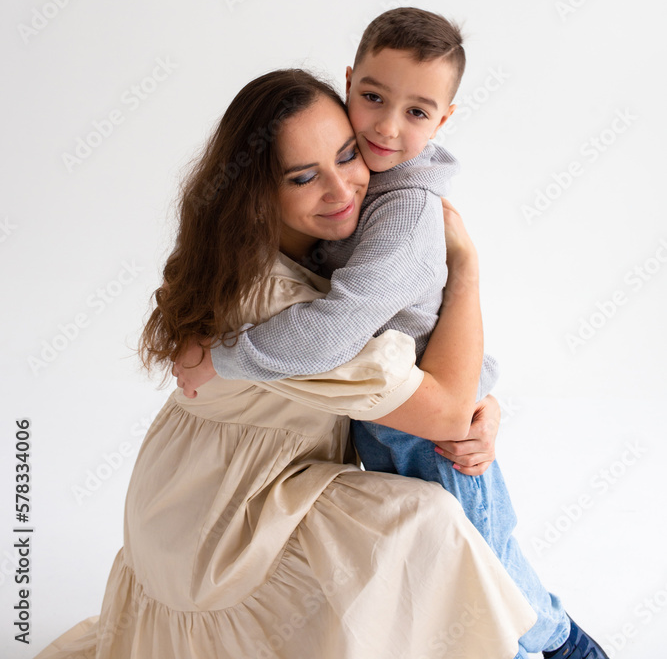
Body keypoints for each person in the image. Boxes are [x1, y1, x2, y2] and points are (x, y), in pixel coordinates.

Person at [34, 67, 536, 659]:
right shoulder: (289, 315)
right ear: (257, 195)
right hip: (218, 528)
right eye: (303, 177)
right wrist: (467, 271)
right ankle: (539, 638)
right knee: (425, 521)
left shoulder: (307, 255)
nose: (343, 189)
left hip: (198, 488)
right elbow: (447, 415)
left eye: (348, 155)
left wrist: (486, 401)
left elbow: (441, 385)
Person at [178, 9, 609, 659]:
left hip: (431, 440)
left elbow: (338, 327)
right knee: (465, 575)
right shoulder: (358, 180)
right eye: (373, 98)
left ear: (443, 120)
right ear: (348, 82)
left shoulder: (405, 215)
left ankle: (566, 647)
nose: (384, 126)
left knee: (487, 588)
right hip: (389, 421)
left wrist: (225, 359)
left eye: (416, 111)